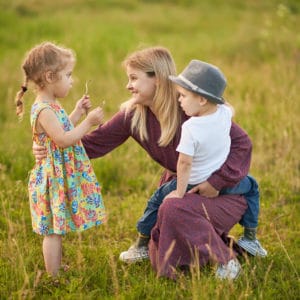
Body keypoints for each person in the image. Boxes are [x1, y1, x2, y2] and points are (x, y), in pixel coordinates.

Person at [32, 46, 262, 280]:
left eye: (134, 78)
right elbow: (90, 146)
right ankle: (204, 245)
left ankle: (225, 258)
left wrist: (216, 181)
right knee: (166, 220)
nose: (128, 86)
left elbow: (243, 144)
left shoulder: (190, 107)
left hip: (222, 193)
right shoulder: (133, 114)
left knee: (173, 210)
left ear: (158, 80)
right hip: (182, 188)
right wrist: (49, 146)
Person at [119, 60, 267, 266]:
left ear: (202, 100)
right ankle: (251, 237)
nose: (178, 99)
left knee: (157, 200)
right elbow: (227, 108)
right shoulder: (224, 113)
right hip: (222, 182)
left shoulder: (191, 127)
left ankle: (142, 242)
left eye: (183, 95)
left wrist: (179, 193)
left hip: (193, 182)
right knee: (252, 186)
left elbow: (184, 164)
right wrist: (218, 182)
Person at [16, 41, 106, 277]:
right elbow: (64, 139)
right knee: (53, 231)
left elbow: (64, 125)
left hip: (59, 175)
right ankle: (53, 276)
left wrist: (77, 111)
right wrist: (88, 122)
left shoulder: (52, 106)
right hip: (52, 178)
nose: (72, 80)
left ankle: (55, 267)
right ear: (49, 76)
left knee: (58, 225)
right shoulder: (43, 110)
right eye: (68, 75)